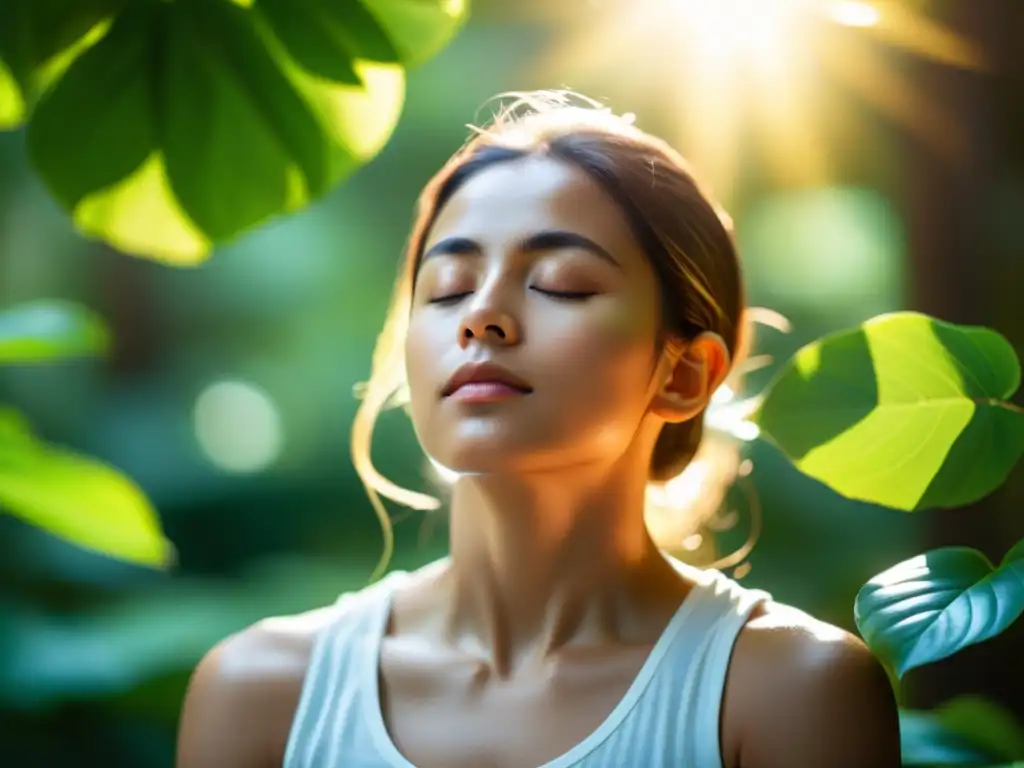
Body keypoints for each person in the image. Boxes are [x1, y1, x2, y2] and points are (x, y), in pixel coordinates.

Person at [176, 92, 901, 768]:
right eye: (448, 288)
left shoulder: (791, 693)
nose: (479, 316)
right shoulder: (261, 694)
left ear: (684, 374)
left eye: (560, 283)